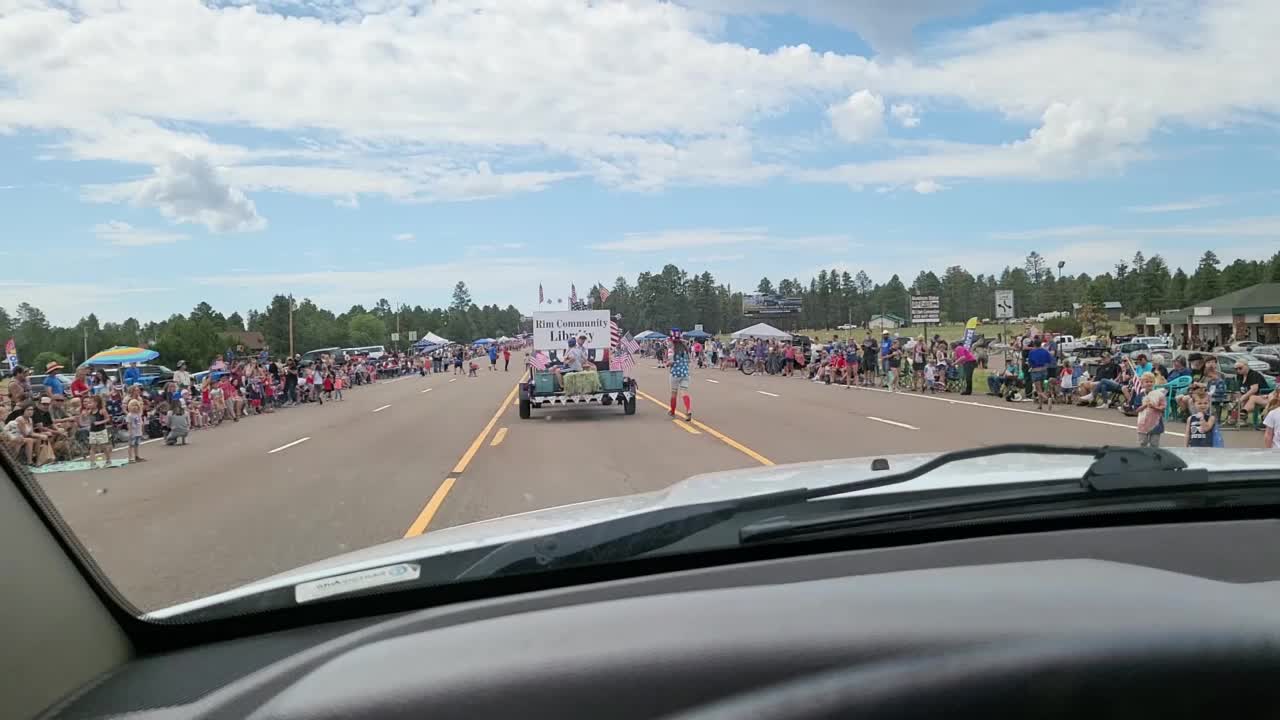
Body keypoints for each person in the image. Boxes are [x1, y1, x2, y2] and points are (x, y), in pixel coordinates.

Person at [1232, 361, 1270, 428]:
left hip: (1264, 396)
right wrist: (1238, 397)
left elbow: (1254, 389)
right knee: (1242, 398)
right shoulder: (1240, 376)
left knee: (1251, 397)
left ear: (1246, 366)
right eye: (1236, 369)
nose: (1238, 370)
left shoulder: (1253, 374)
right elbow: (1241, 390)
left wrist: (1243, 397)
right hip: (1251, 397)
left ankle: (1242, 415)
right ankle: (1240, 418)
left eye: (1240, 368)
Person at [1135, 372, 1166, 448]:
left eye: (1151, 382)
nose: (1149, 384)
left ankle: (1154, 459)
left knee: (1154, 444)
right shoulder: (1140, 395)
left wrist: (1154, 407)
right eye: (1147, 382)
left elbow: (1163, 408)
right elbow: (1136, 409)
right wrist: (1145, 405)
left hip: (1156, 424)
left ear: (1154, 383)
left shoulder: (1159, 395)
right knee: (1143, 443)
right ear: (1142, 383)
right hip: (1143, 424)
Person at [668, 330, 692, 421]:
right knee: (684, 392)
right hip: (685, 373)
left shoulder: (671, 349)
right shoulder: (685, 348)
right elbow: (689, 360)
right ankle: (688, 410)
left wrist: (667, 363)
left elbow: (670, 362)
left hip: (675, 373)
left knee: (674, 393)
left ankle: (673, 411)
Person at [88, 395, 112, 469]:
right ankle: (92, 463)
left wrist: (100, 422)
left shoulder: (102, 410)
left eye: (91, 402)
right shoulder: (90, 411)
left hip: (101, 431)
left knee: (104, 447)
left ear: (96, 403)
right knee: (92, 447)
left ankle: (108, 460)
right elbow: (92, 421)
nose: (89, 404)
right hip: (93, 431)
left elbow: (108, 419)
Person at [126, 399, 146, 463]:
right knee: (131, 445)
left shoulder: (138, 414)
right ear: (129, 407)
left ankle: (137, 456)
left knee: (137, 445)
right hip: (133, 432)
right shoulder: (129, 415)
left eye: (136, 405)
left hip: (138, 432)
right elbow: (129, 424)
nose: (134, 407)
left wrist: (142, 431)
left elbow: (141, 423)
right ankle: (130, 458)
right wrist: (130, 432)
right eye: (132, 405)